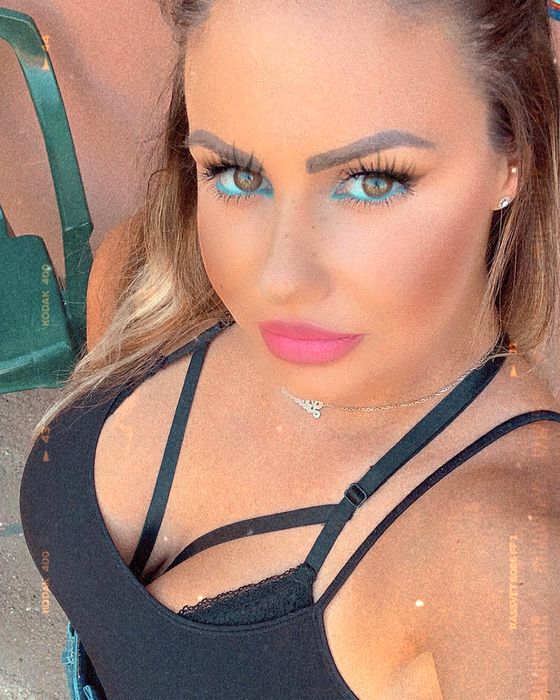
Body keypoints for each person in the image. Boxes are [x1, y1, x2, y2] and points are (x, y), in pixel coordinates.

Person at [19, 1, 560, 698]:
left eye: (372, 181)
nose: (277, 281)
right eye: (237, 173)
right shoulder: (151, 277)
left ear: (513, 157)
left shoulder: (516, 560)